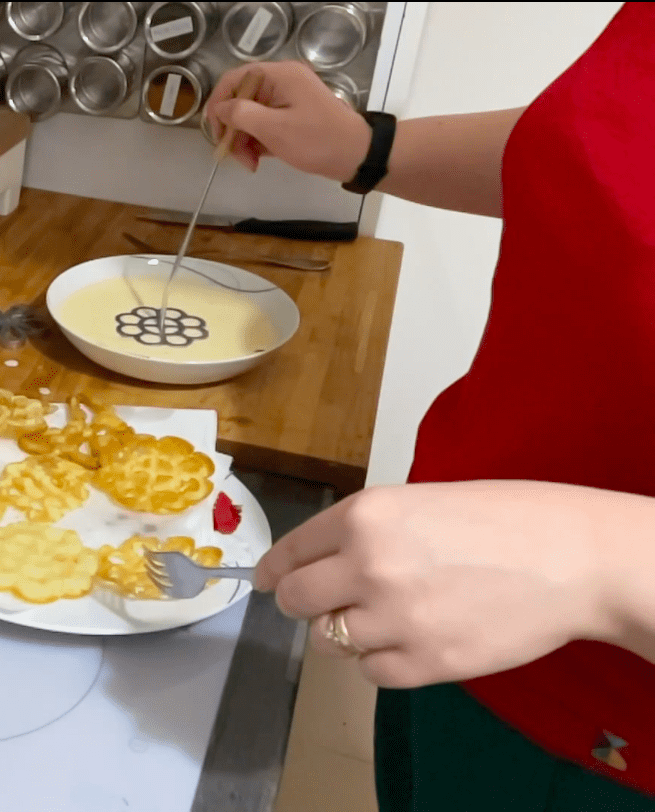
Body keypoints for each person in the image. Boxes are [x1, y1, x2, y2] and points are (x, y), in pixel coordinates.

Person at [204, 3, 655, 809]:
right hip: (459, 603)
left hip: (620, 730)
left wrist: (600, 564)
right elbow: (614, 148)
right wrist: (369, 148)